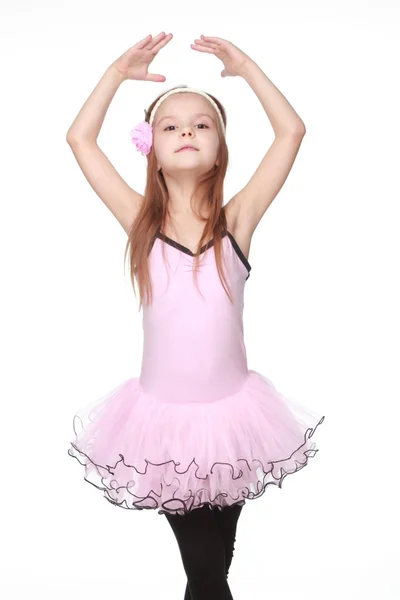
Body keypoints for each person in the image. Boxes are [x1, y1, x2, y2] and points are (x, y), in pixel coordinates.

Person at [66, 32, 325, 600]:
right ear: (151, 146)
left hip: (234, 421)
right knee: (207, 569)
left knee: (213, 568)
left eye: (201, 124)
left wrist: (247, 68)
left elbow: (292, 132)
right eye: (171, 125)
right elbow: (80, 140)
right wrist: (116, 72)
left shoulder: (238, 222)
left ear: (221, 146)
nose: (186, 131)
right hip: (164, 427)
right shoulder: (141, 224)